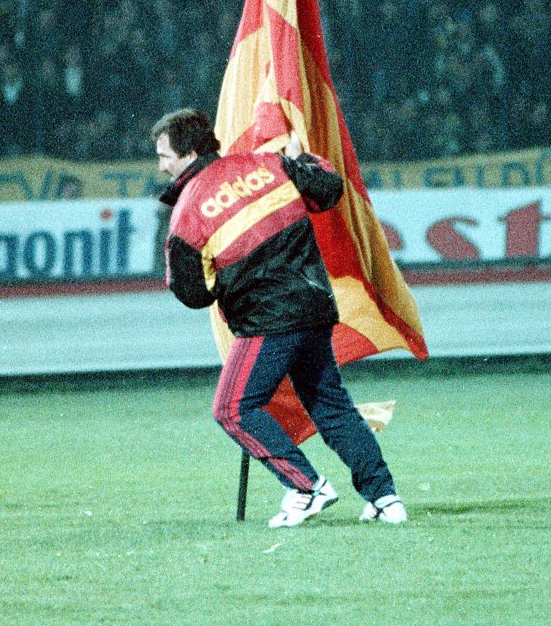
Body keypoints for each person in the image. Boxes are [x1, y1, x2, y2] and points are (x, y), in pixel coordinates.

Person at [152, 108, 406, 528]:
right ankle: (385, 498)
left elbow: (192, 294)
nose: (161, 166)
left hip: (267, 323)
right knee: (332, 407)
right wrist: (301, 157)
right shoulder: (266, 164)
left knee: (232, 409)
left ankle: (306, 487)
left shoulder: (187, 214)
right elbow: (327, 189)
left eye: (164, 156)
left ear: (189, 152)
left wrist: (226, 280)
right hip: (316, 307)